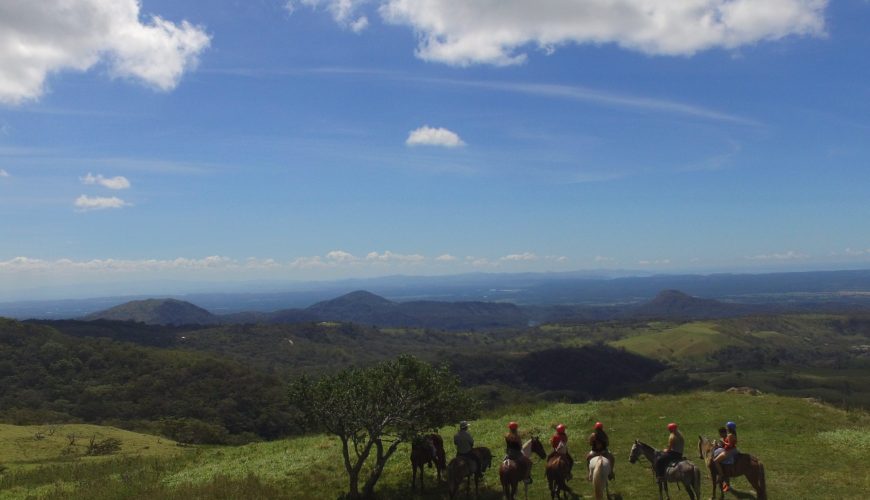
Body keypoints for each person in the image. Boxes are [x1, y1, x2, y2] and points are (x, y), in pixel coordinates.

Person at [713, 421, 738, 493]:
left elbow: (730, 445)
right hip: (731, 449)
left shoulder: (730, 435)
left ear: (729, 428)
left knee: (716, 461)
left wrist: (723, 442)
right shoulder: (733, 434)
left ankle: (721, 475)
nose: (726, 428)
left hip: (730, 451)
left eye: (727, 427)